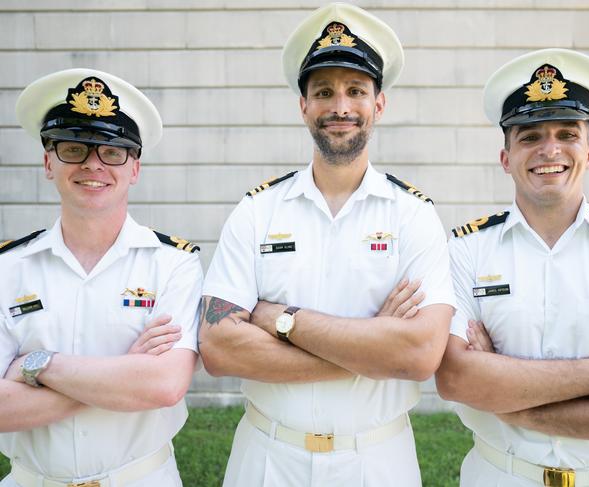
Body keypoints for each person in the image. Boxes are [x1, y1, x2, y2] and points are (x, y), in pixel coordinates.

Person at [198, 3, 456, 486]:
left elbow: (420, 354)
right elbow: (219, 348)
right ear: (304, 106)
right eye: (324, 92)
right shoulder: (257, 212)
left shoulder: (413, 216)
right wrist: (374, 348)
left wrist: (282, 320)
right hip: (268, 457)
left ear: (379, 104)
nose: (340, 107)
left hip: (377, 461)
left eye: (356, 90)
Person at [435, 48, 589, 486]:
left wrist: (507, 394)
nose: (549, 149)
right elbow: (457, 378)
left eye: (567, 133)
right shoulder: (464, 250)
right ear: (506, 157)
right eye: (530, 136)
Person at [0, 69, 202, 486]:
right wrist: (126, 375)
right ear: (48, 163)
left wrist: (37, 365)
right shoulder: (8, 268)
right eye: (74, 148)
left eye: (113, 152)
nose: (93, 164)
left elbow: (163, 386)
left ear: (135, 169)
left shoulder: (172, 264)